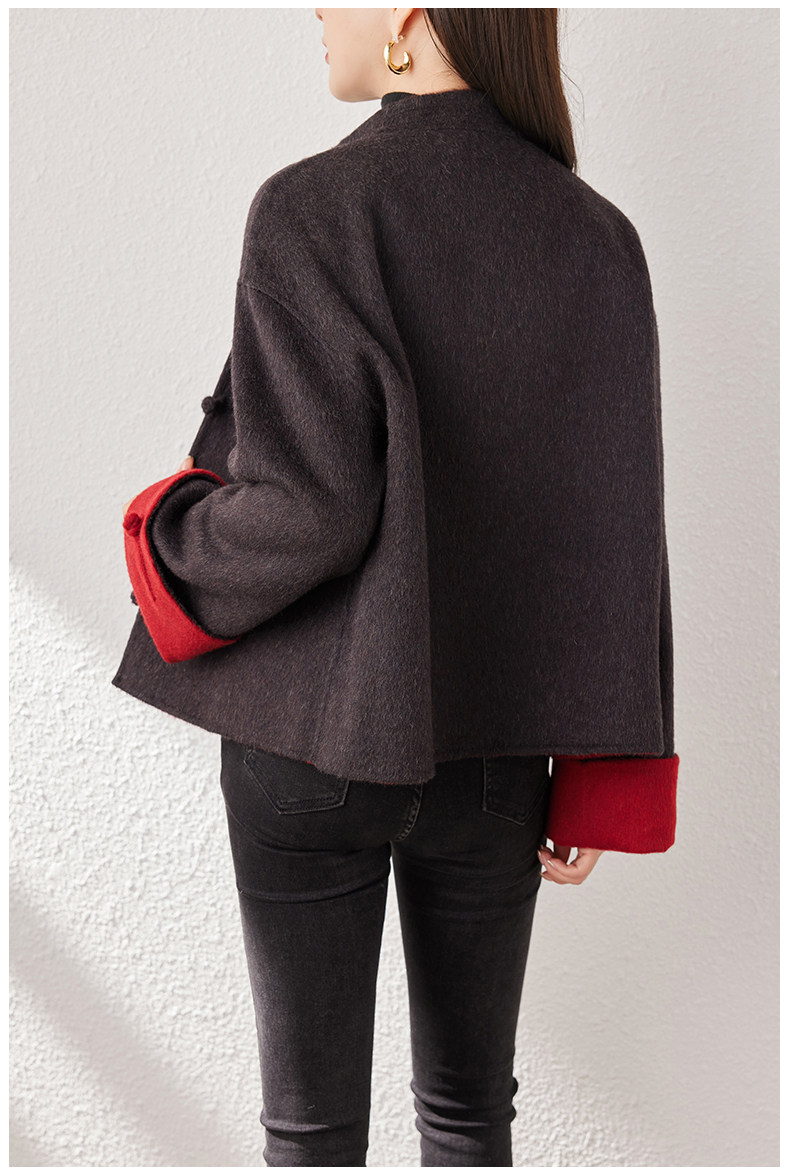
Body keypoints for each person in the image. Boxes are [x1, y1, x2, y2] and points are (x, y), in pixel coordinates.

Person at [114, 9, 680, 1166]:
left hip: (311, 742)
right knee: (470, 1116)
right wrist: (601, 774)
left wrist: (164, 535)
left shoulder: (315, 206)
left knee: (310, 1132)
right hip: (495, 758)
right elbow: (611, 530)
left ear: (413, 17)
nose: (321, 10)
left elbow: (305, 511)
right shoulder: (597, 236)